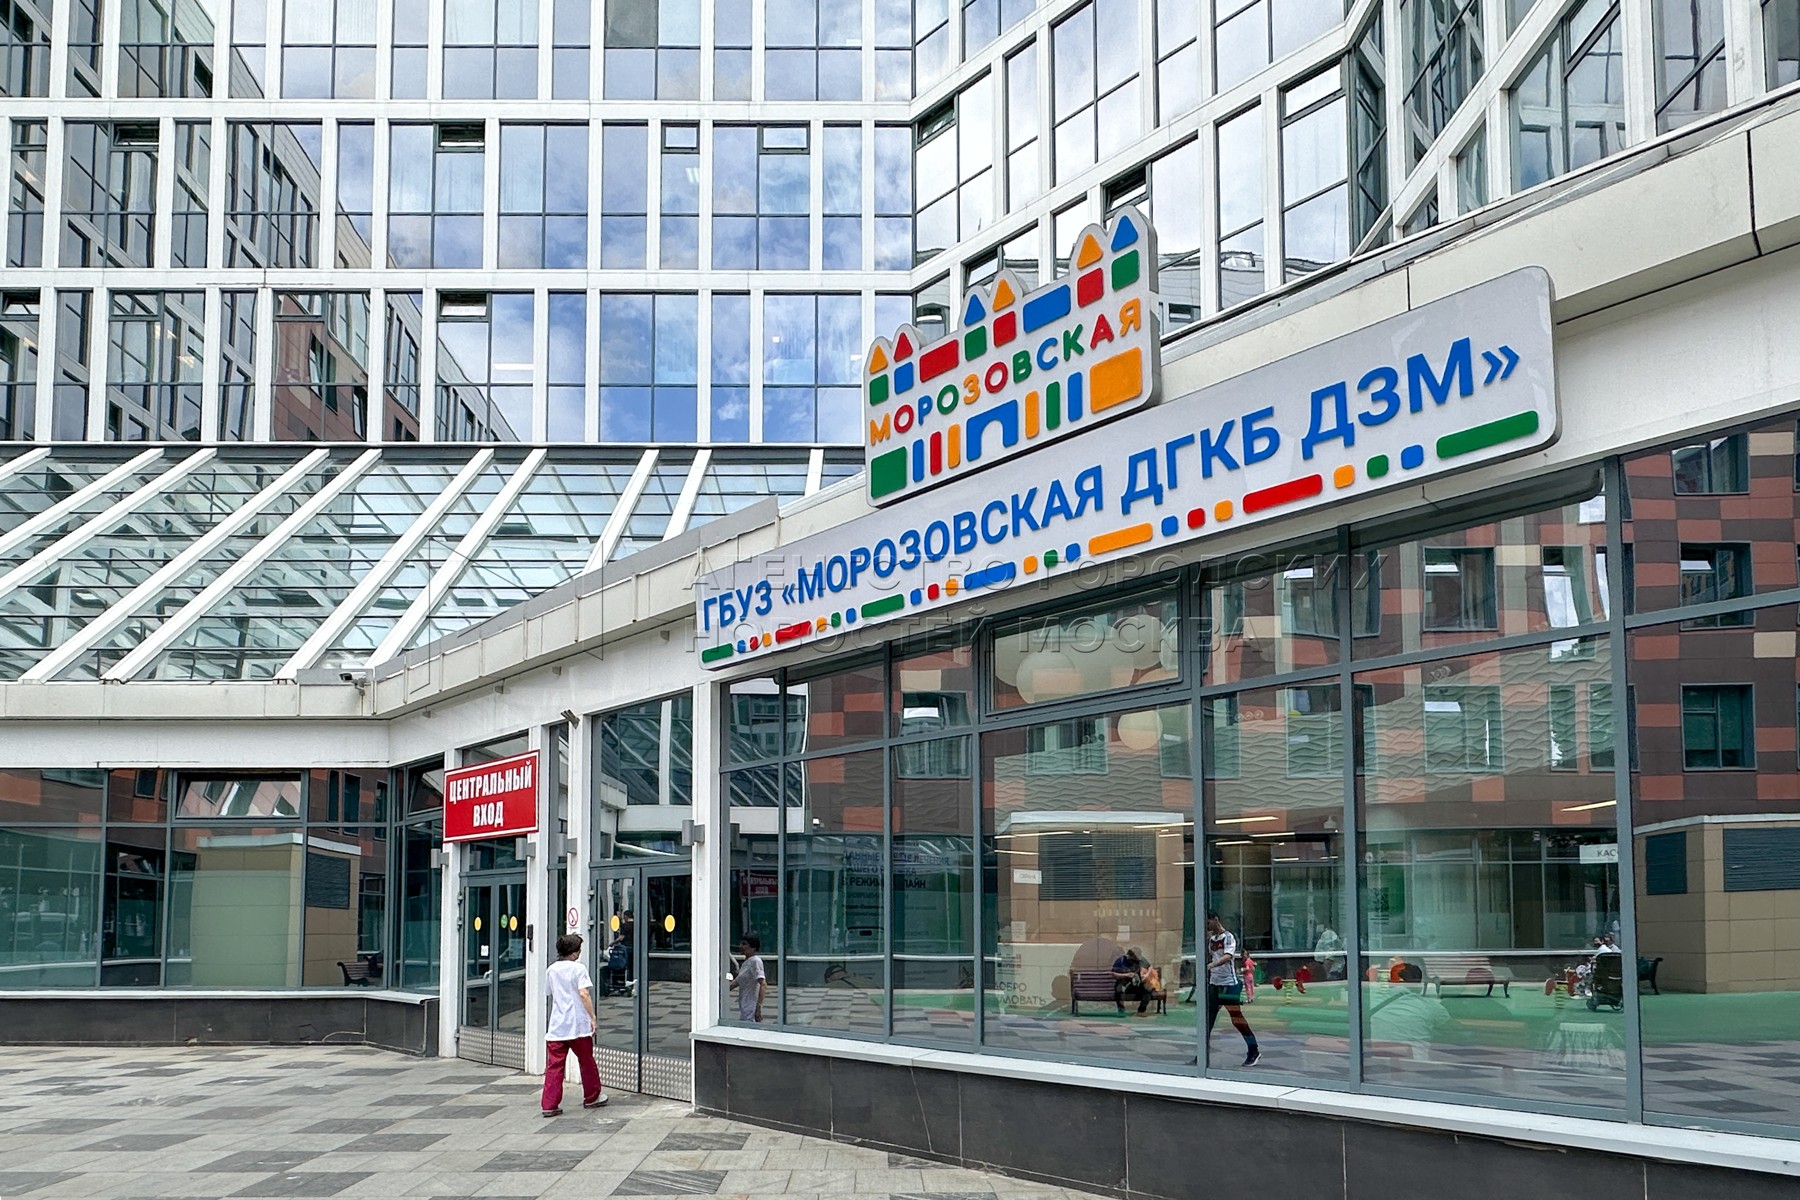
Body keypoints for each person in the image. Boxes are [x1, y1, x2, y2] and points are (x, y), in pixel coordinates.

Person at [540, 932, 606, 1117]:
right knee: (586, 1061)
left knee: (554, 1066)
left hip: (557, 1026)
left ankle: (549, 1104)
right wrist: (593, 1017)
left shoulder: (551, 970)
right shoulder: (578, 969)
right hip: (578, 1025)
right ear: (575, 952)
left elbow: (550, 992)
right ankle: (592, 1097)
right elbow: (584, 994)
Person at [1206, 913, 1259, 1066]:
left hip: (1229, 984)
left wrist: (1212, 965)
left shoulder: (1228, 937)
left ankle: (1253, 1050)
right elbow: (1211, 956)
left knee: (1237, 1019)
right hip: (1214, 984)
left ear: (1216, 919)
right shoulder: (1212, 940)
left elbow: (1228, 956)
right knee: (1207, 1020)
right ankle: (1202, 1055)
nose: (1207, 926)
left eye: (1208, 923)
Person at [730, 934, 765, 1022]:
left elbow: (763, 984)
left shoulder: (755, 961)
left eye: (744, 944)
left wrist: (758, 1007)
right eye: (741, 943)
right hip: (744, 1009)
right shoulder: (746, 963)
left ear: (753, 948)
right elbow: (736, 982)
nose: (741, 946)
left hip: (751, 1010)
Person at [1111, 947, 1151, 1015]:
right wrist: (1127, 975)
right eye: (1134, 958)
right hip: (1123, 983)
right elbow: (1113, 974)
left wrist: (1146, 975)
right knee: (1119, 989)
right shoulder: (1121, 961)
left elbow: (1149, 966)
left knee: (1148, 989)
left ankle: (1141, 1010)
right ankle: (1121, 1009)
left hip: (1136, 983)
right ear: (1130, 956)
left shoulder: (1140, 959)